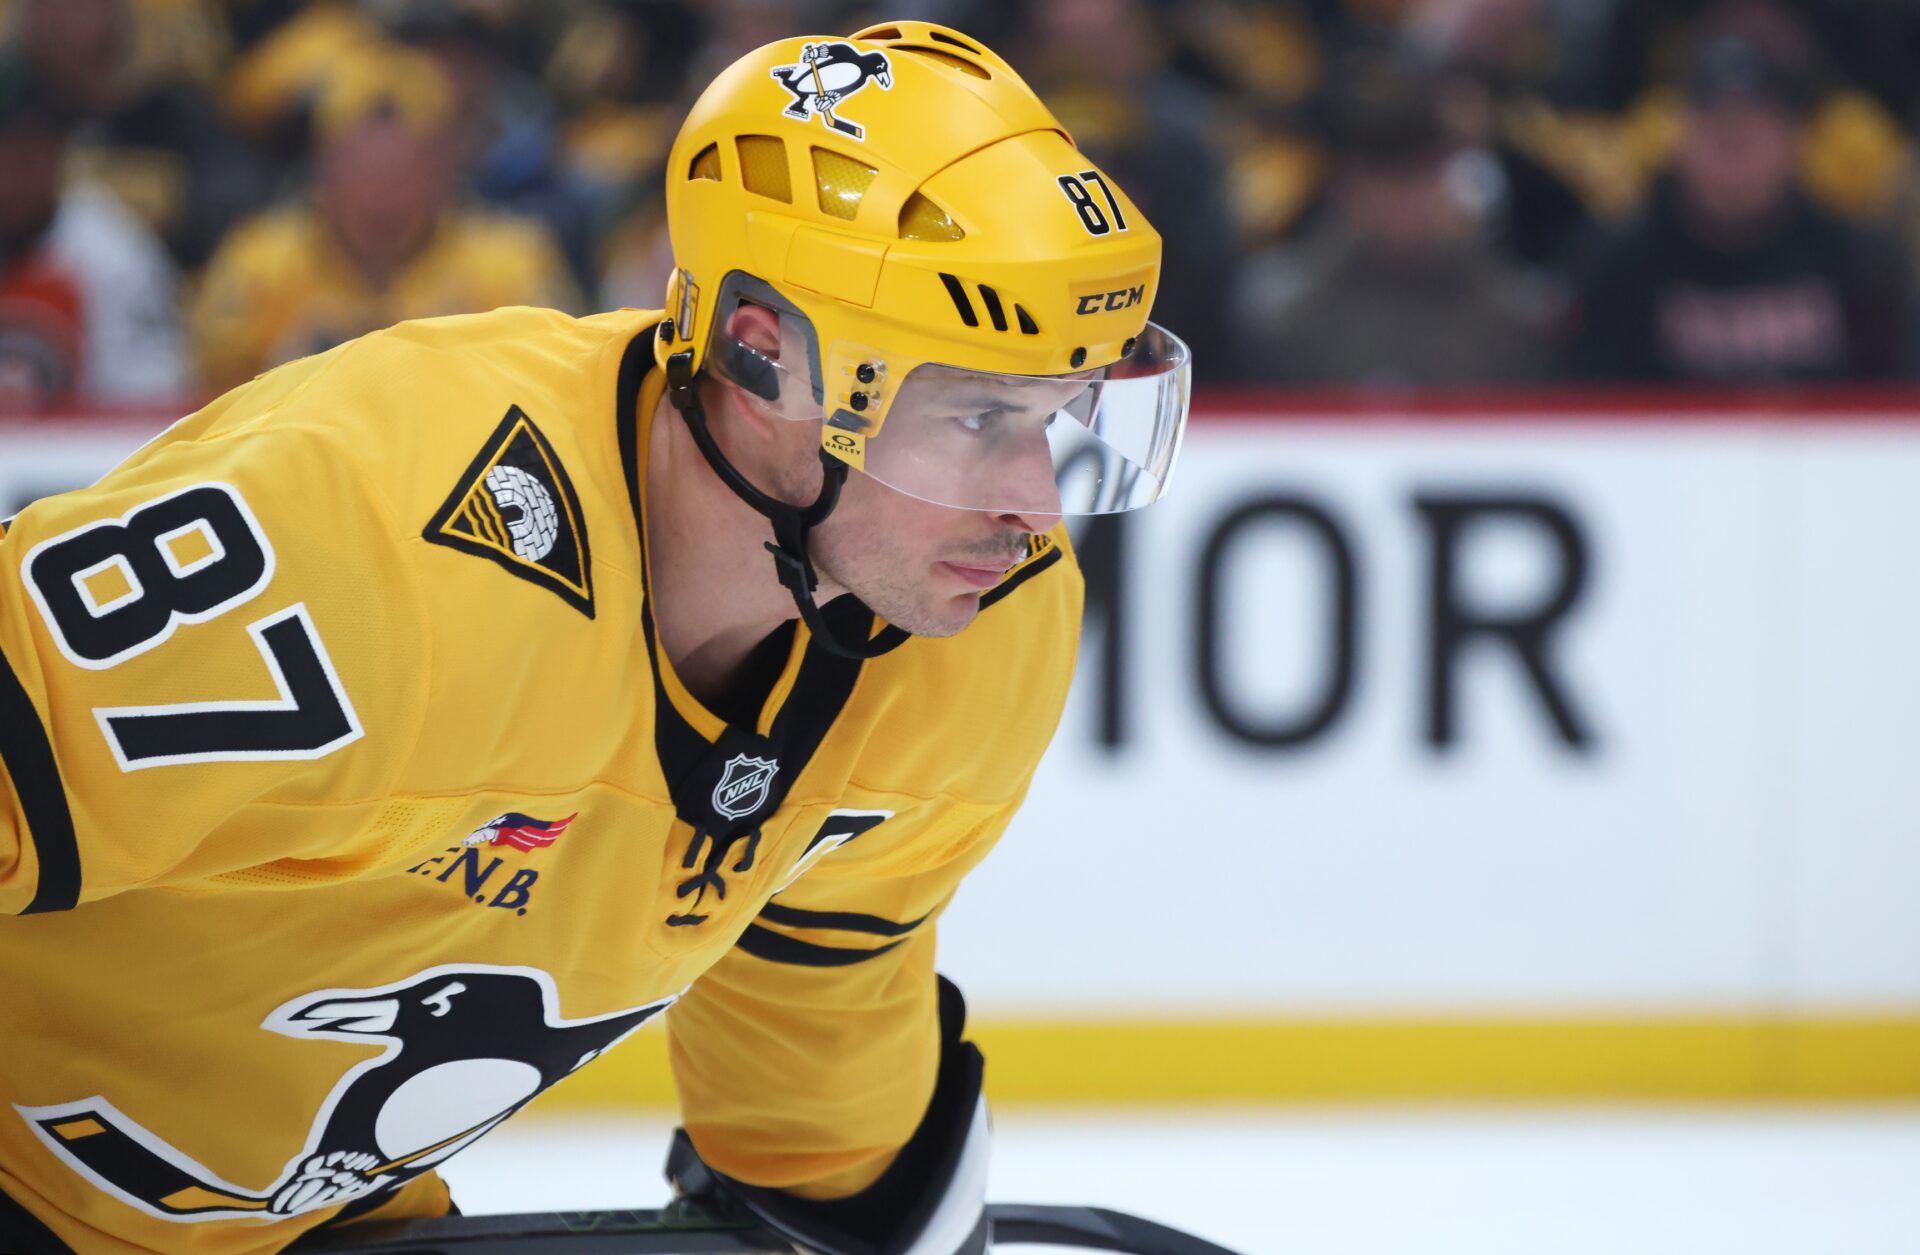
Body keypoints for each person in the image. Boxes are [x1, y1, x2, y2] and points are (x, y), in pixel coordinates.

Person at [0, 20, 1190, 1255]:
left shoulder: (974, 626)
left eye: (1055, 418)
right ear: (763, 354)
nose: (1034, 506)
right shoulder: (380, 521)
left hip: (306, 1223)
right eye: (981, 413)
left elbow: (819, 1005)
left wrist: (864, 1206)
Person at [189, 42, 582, 393]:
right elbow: (200, 399)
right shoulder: (260, 260)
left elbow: (558, 386)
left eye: (405, 153)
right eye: (362, 152)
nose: (382, 169)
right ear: (325, 164)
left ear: (442, 163)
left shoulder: (510, 262)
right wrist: (281, 378)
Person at [1567, 10, 1911, 383]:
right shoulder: (1620, 263)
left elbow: (1897, 399)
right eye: (1715, 126)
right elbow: (1583, 408)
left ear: (1795, 138)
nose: (1733, 141)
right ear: (1679, 135)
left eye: (1754, 126)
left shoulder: (1859, 262)